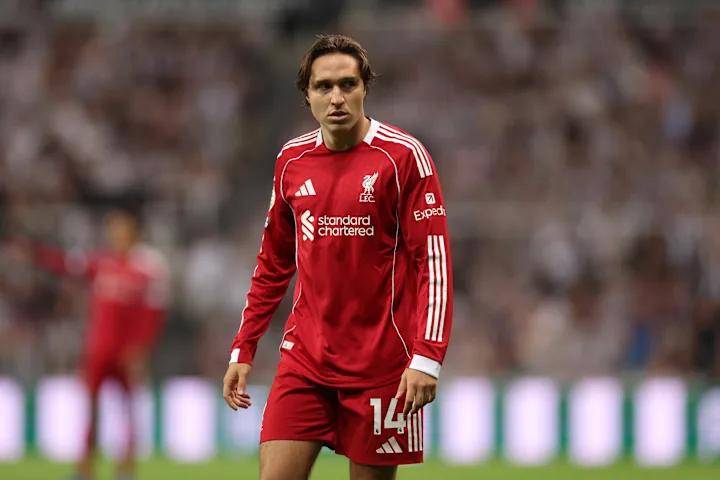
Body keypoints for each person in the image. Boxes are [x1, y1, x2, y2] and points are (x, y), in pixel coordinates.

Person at [222, 34, 453, 480]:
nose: (336, 97)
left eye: (348, 84)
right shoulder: (292, 161)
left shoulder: (404, 158)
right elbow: (273, 263)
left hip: (382, 368)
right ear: (306, 95)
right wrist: (243, 347)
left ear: (365, 88)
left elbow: (434, 263)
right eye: (323, 86)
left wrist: (427, 357)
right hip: (305, 361)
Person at [28, 208, 169, 480]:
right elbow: (67, 265)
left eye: (121, 230)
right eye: (113, 230)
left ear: (133, 233)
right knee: (91, 407)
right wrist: (36, 253)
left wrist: (142, 348)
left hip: (128, 352)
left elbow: (154, 314)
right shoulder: (102, 263)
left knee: (128, 409)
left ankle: (126, 468)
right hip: (99, 350)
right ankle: (85, 468)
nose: (116, 235)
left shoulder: (147, 269)